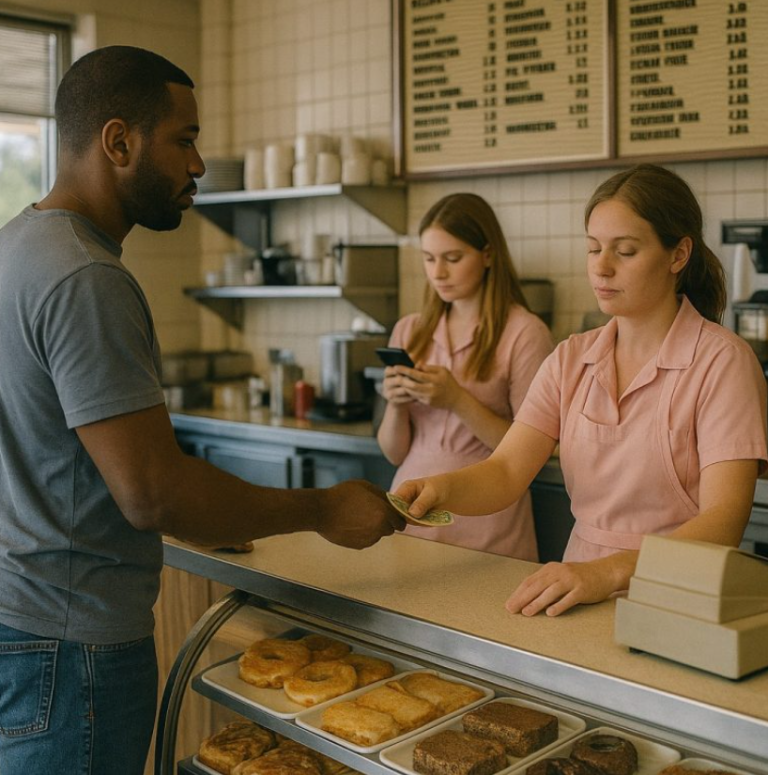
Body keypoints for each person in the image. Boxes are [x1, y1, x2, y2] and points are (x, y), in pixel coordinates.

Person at [0, 46, 403, 775]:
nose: (199, 165)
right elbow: (153, 492)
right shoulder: (88, 276)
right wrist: (321, 508)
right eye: (183, 140)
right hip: (72, 649)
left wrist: (224, 512)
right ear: (118, 141)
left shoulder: (16, 246)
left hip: (20, 624)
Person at [396, 164, 767, 616]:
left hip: (680, 599)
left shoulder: (722, 362)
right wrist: (440, 488)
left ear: (678, 255)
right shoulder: (571, 359)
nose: (602, 267)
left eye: (625, 251)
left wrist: (607, 572)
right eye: (593, 249)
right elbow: (507, 471)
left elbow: (724, 521)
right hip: (574, 594)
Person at [377, 193, 554, 558]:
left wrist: (457, 400)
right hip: (411, 514)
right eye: (429, 259)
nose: (438, 273)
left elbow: (530, 454)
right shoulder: (410, 330)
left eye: (452, 258)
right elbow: (393, 453)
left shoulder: (525, 333)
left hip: (487, 521)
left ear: (488, 255)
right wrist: (395, 405)